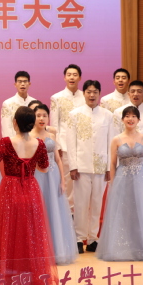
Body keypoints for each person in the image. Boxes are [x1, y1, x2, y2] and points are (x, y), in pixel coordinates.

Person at [0, 107, 56, 285]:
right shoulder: (39, 144)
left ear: (15, 122)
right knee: (30, 234)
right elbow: (44, 168)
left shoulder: (6, 142)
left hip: (10, 190)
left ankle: (9, 281)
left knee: (8, 233)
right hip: (30, 190)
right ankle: (29, 279)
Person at [96, 106, 143, 262]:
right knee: (124, 212)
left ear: (139, 120)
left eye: (133, 116)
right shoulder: (116, 140)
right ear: (123, 120)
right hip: (122, 180)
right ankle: (123, 248)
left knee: (142, 212)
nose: (130, 119)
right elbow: (112, 164)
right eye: (127, 116)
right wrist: (112, 183)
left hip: (142, 180)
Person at [66, 80, 115, 254]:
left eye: (95, 92)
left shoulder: (108, 115)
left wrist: (109, 167)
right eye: (88, 92)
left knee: (96, 203)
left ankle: (93, 238)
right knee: (80, 204)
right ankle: (79, 239)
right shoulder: (74, 114)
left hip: (101, 166)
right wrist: (73, 166)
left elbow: (111, 142)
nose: (92, 95)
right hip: (81, 166)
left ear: (100, 94)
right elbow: (70, 142)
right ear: (84, 93)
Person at [32, 103, 77, 265]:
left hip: (53, 176)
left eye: (44, 115)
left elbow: (58, 159)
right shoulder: (29, 136)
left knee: (54, 211)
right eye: (38, 115)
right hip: (37, 177)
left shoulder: (51, 135)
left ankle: (57, 251)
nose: (41, 118)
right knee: (39, 210)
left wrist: (63, 180)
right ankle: (39, 251)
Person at [49, 64, 85, 210]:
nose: (72, 77)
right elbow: (54, 125)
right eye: (69, 75)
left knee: (82, 179)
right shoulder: (56, 98)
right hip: (64, 145)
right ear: (64, 77)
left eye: (75, 75)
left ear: (80, 78)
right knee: (67, 179)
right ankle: (68, 211)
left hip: (82, 145)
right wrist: (56, 146)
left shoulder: (85, 96)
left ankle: (80, 211)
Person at [113, 80, 143, 175]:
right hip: (124, 161)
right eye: (133, 91)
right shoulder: (118, 112)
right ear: (128, 94)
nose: (136, 94)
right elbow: (115, 138)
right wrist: (116, 163)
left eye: (139, 91)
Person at [0, 71, 37, 139]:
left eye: (25, 81)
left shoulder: (35, 103)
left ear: (29, 84)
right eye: (19, 82)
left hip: (32, 140)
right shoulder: (7, 103)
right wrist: (10, 143)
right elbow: (6, 127)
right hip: (14, 141)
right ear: (15, 84)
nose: (22, 84)